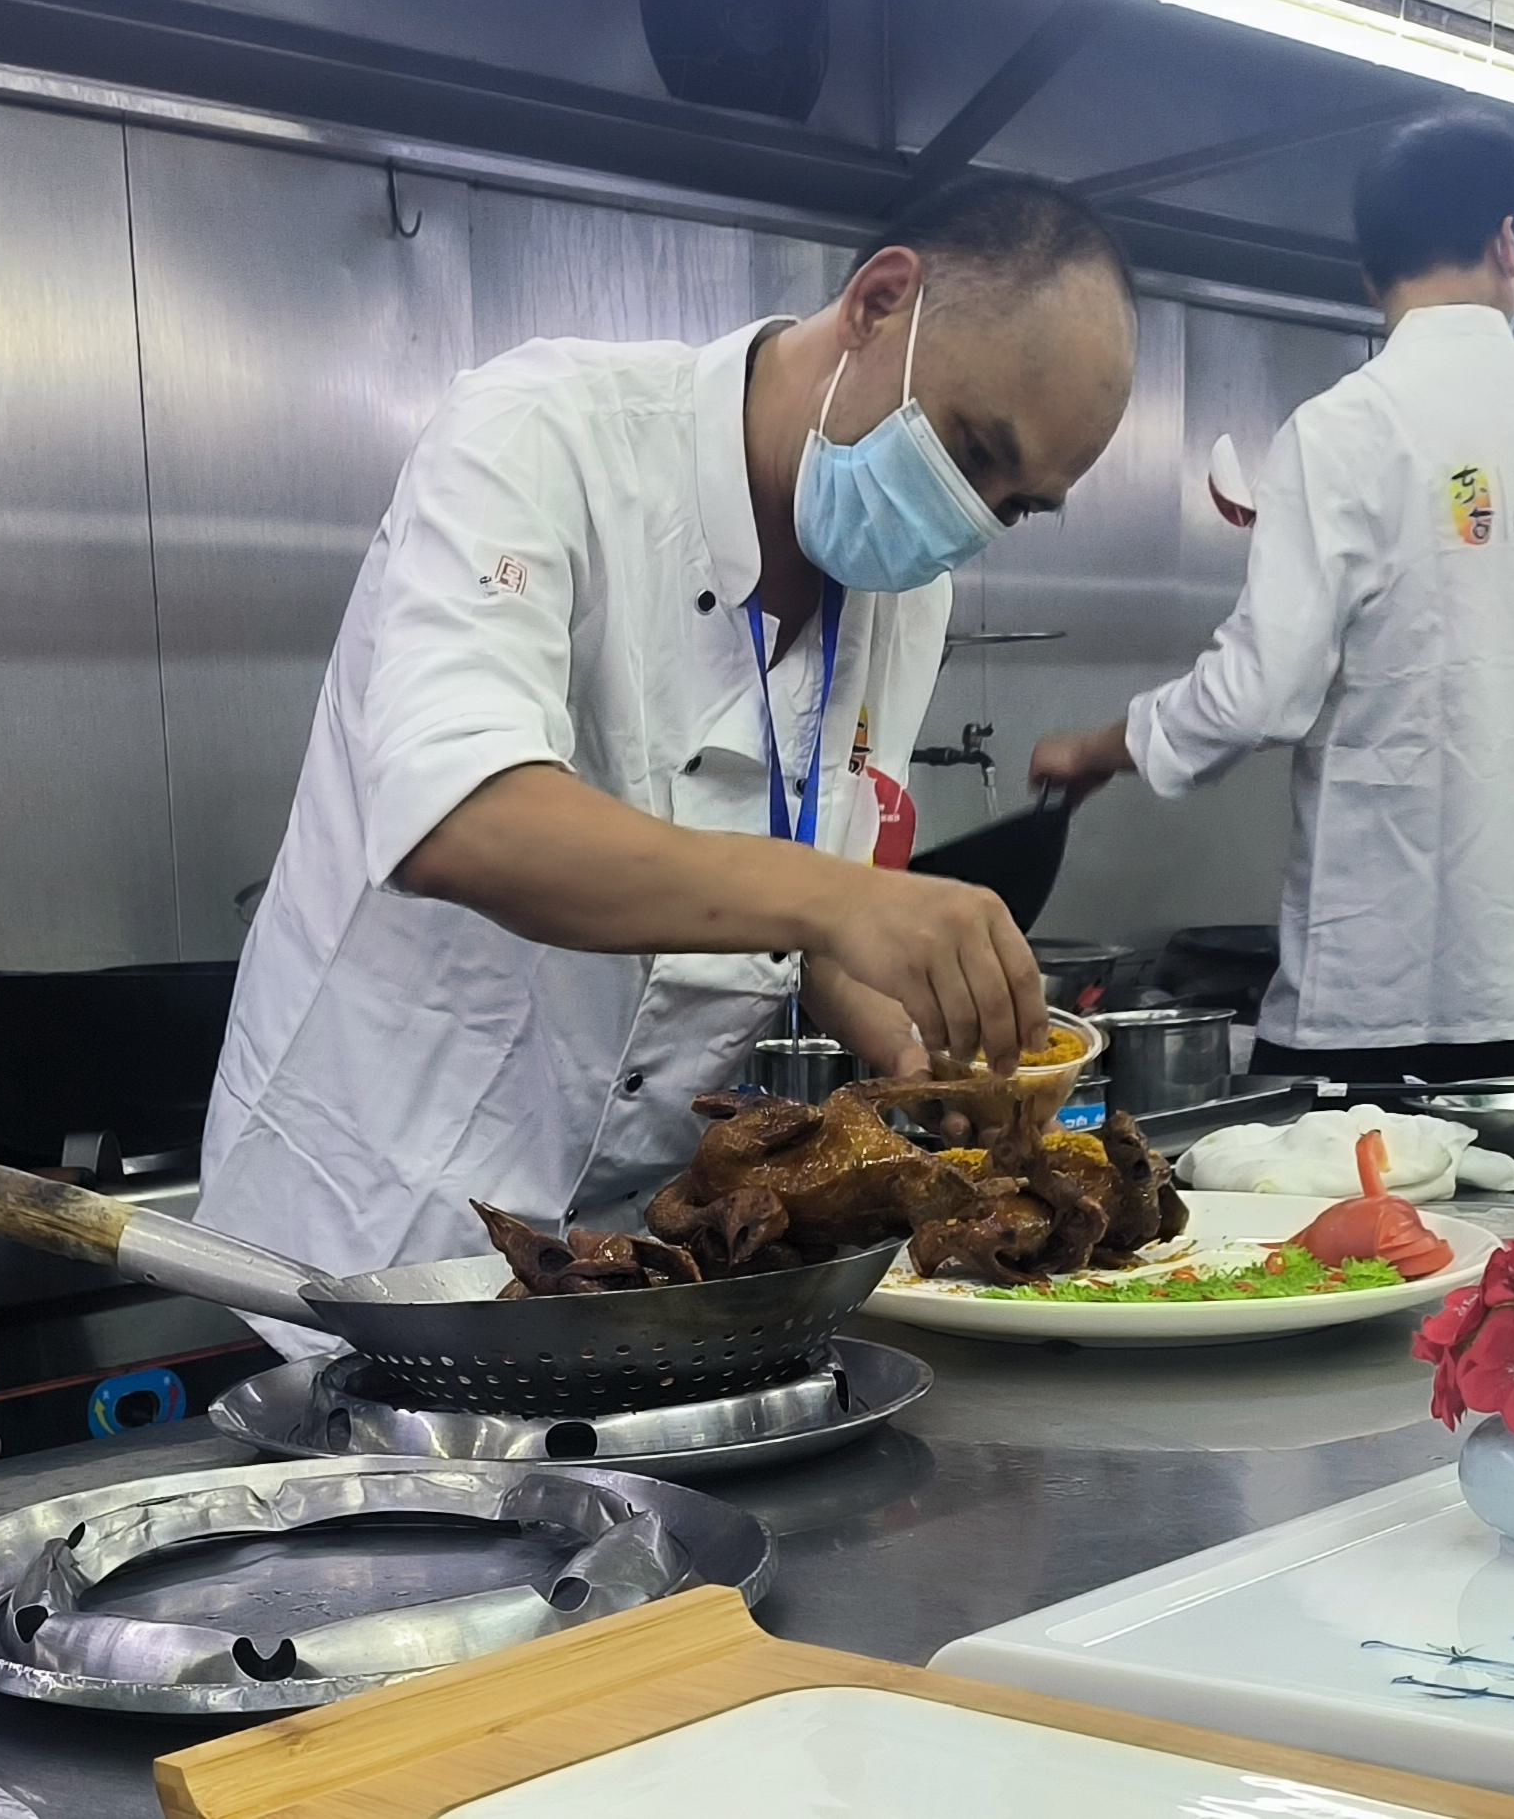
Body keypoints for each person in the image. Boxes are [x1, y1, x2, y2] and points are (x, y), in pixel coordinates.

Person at [197, 175, 1140, 1334]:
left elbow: (816, 922)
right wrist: (848, 901)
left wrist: (923, 1051)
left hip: (625, 1261)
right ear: (879, 303)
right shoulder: (545, 432)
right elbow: (460, 820)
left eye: (1016, 504)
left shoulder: (904, 598)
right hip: (368, 1233)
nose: (970, 515)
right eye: (973, 448)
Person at [1029, 113, 1514, 1084]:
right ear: (1509, 243)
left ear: (1369, 277)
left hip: (1383, 1007)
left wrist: (1100, 748)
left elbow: (1259, 693)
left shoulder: (1346, 432)